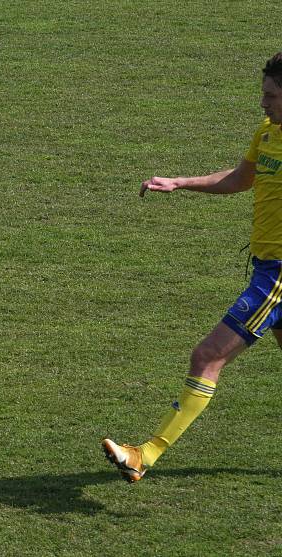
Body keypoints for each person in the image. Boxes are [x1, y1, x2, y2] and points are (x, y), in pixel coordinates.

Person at [102, 52, 282, 482]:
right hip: (264, 265)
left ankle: (145, 454)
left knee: (206, 356)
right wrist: (180, 183)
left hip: (278, 276)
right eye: (264, 93)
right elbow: (241, 178)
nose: (263, 103)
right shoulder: (268, 133)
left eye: (272, 96)